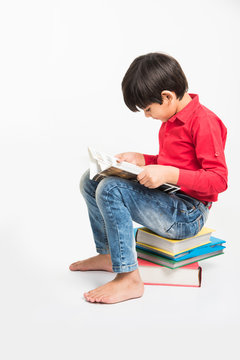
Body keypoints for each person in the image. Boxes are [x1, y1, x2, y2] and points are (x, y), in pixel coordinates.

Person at [69, 52, 228, 304]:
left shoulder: (204, 122)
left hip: (188, 214)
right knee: (92, 180)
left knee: (111, 189)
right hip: (169, 199)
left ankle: (129, 278)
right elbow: (174, 162)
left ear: (166, 96)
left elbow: (218, 179)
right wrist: (143, 159)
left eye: (148, 109)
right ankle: (110, 254)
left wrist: (168, 173)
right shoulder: (171, 118)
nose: (147, 115)